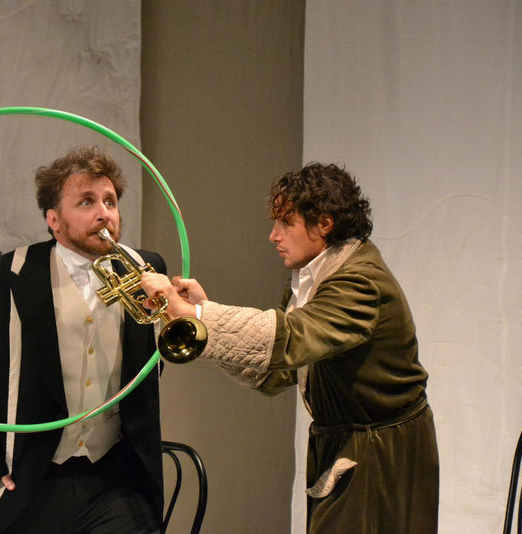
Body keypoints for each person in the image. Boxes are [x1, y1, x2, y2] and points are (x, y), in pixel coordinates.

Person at [142, 163, 439, 534]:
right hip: (349, 440)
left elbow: (292, 337)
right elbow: (276, 372)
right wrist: (200, 318)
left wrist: (198, 314)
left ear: (324, 224)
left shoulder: (359, 281)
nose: (273, 236)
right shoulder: (313, 276)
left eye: (286, 223)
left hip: (382, 450)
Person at [0, 146, 165, 534]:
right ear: (54, 219)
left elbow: (149, 364)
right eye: (86, 202)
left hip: (114, 473)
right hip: (27, 473)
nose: (104, 213)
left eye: (110, 201)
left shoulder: (146, 268)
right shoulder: (0, 276)